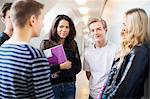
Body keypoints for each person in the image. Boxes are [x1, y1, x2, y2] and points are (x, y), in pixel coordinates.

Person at [0, 0, 54, 98]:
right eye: (42, 19)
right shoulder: (34, 55)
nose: (43, 25)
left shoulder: (3, 49)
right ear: (32, 20)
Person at [97, 8, 149, 99]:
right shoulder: (131, 48)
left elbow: (125, 87)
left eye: (125, 24)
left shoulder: (139, 52)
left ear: (135, 26)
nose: (123, 29)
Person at [40, 14, 81, 99]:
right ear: (55, 28)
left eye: (67, 27)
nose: (64, 30)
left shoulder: (72, 44)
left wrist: (63, 69)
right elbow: (41, 68)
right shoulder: (46, 44)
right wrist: (60, 67)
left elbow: (78, 67)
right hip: (52, 86)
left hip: (69, 85)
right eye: (61, 26)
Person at [83, 17, 117, 99]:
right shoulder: (88, 52)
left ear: (105, 30)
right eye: (92, 30)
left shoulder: (115, 50)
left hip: (109, 94)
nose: (95, 33)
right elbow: (88, 74)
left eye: (99, 29)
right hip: (93, 94)